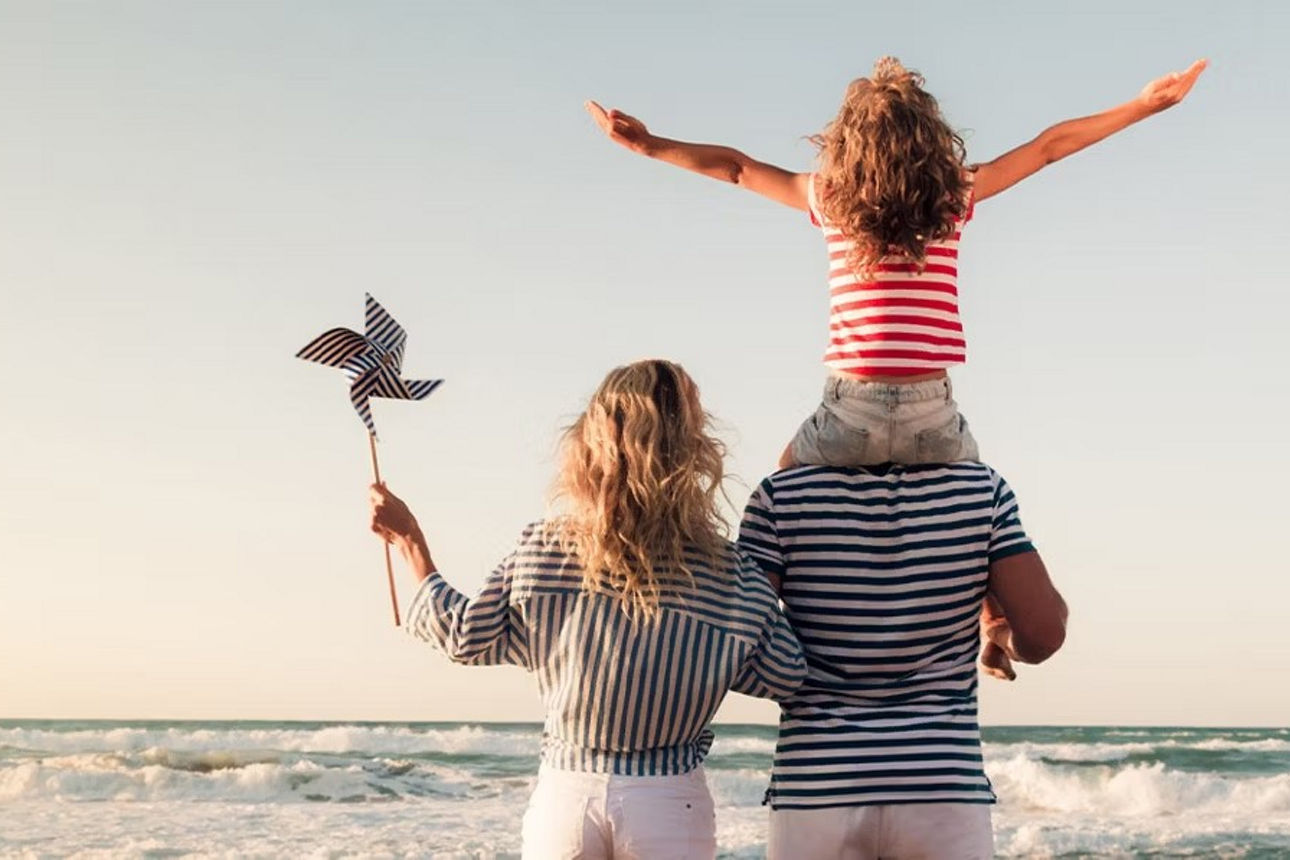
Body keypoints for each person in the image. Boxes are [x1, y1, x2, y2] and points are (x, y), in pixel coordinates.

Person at [587, 55, 1203, 681]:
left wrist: (650, 146)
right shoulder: (953, 195)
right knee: (984, 522)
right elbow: (1048, 147)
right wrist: (1141, 106)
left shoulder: (829, 197)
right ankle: (994, 622)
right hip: (932, 415)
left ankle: (746, 634)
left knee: (780, 493)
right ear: (931, 139)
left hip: (848, 411)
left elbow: (737, 168)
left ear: (846, 144)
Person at [368, 359, 806, 860]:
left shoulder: (545, 549)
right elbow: (786, 673)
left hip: (567, 797)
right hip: (669, 802)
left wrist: (410, 542)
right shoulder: (730, 572)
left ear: (590, 442)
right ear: (693, 448)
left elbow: (467, 637)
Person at [738, 460, 1068, 859]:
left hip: (818, 786)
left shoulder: (781, 495)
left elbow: (743, 641)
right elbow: (1043, 636)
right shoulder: (980, 490)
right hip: (941, 785)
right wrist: (997, 630)